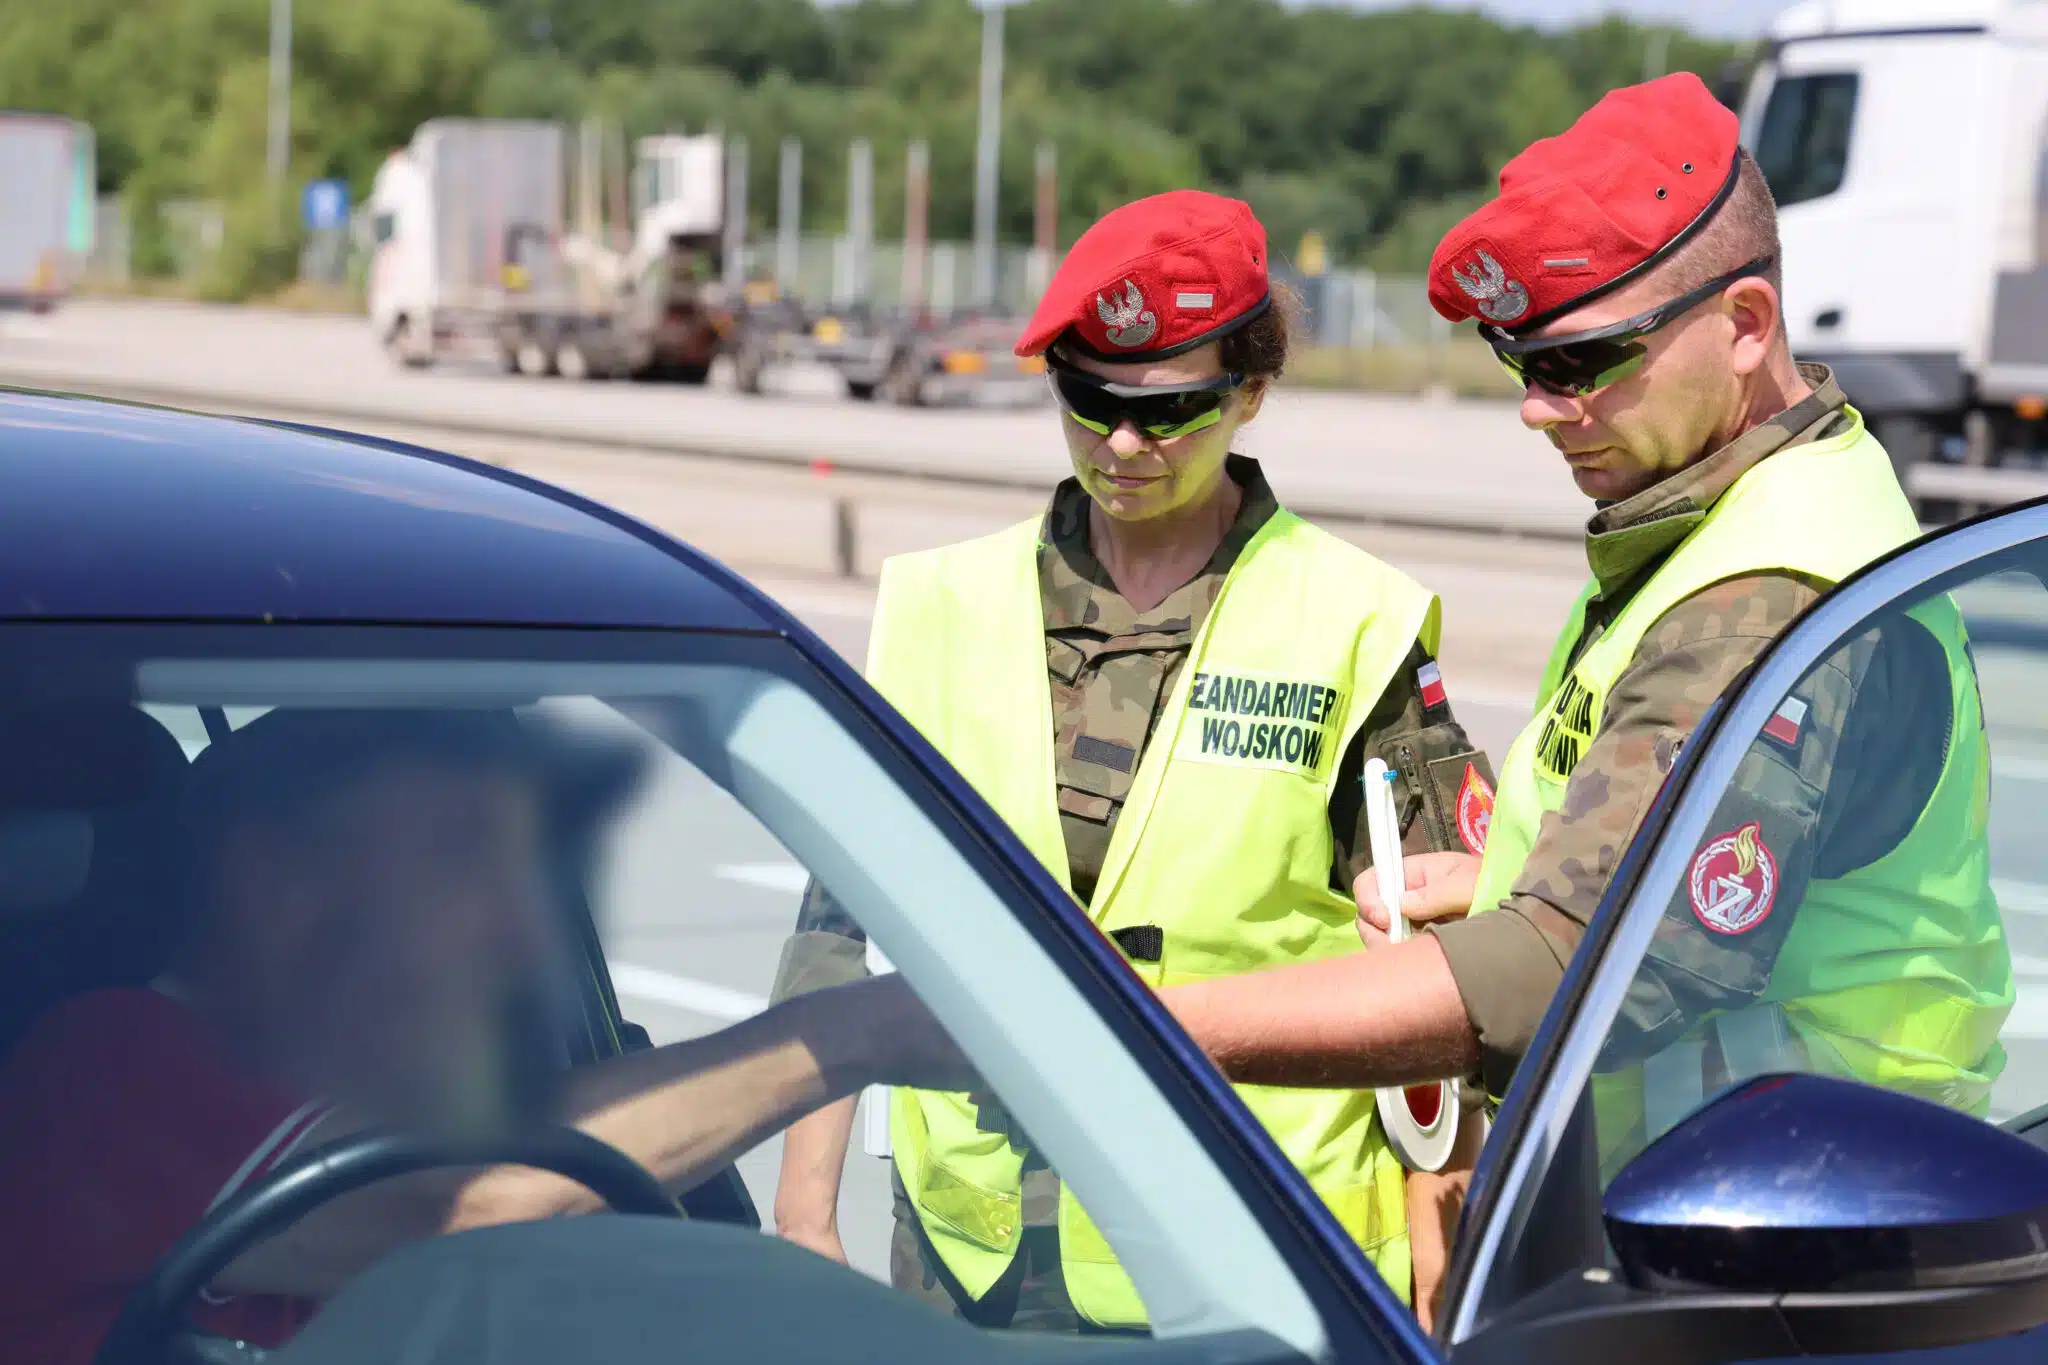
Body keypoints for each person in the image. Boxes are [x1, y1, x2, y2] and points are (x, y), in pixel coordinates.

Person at [1160, 74, 2010, 1174]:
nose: (1536, 404)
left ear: (1743, 326)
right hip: (1757, 1179)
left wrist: (1153, 1033)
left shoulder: (1759, 585)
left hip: (1792, 1228)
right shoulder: (1742, 503)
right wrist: (1519, 870)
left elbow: (1574, 966)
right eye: (1517, 360)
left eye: (1578, 362)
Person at [766, 190, 1495, 1334]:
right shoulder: (939, 605)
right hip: (975, 1256)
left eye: (1170, 414)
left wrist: (1436, 1215)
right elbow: (841, 924)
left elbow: (1442, 967)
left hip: (1247, 1237)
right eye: (1088, 399)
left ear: (1251, 393)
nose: (1120, 445)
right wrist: (804, 1207)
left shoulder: (1354, 624)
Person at [0, 708, 971, 1363]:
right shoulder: (113, 1062)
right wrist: (848, 1032)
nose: (518, 923)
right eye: (460, 861)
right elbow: (463, 1198)